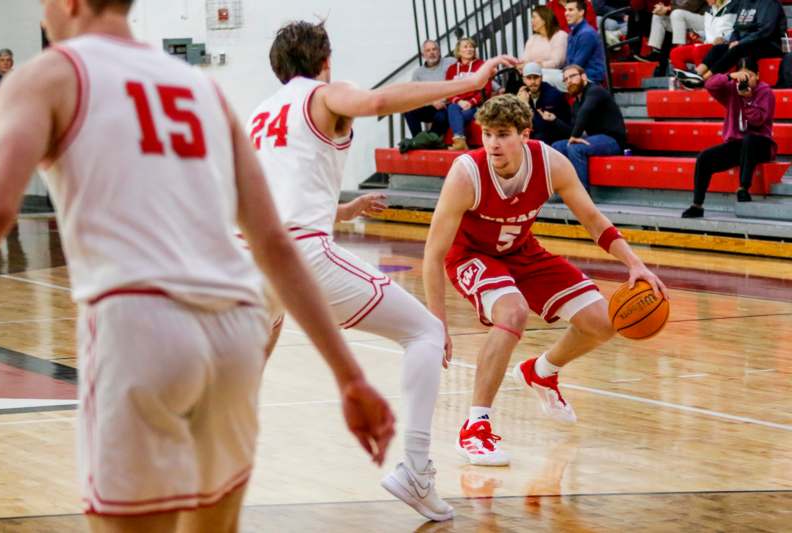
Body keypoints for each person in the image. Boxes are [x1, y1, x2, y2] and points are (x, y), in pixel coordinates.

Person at [0, 1, 396, 531]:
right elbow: (273, 240)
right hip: (234, 330)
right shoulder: (199, 88)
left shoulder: (47, 74)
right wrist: (350, 377)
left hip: (139, 322)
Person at [249, 20, 516, 521]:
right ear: (325, 60)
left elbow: (266, 197)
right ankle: (415, 469)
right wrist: (469, 81)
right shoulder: (323, 95)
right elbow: (374, 102)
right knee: (425, 332)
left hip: (248, 258)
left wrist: (344, 213)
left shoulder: (260, 114)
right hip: (299, 256)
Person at [422, 94, 667, 465]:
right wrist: (437, 321)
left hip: (523, 251)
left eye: (502, 134)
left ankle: (542, 371)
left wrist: (635, 264)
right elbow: (434, 253)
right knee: (513, 312)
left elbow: (593, 220)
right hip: (471, 256)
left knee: (603, 322)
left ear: (525, 134)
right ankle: (475, 427)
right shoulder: (465, 173)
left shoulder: (552, 163)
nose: (492, 144)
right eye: (487, 134)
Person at [681, 57, 775, 218]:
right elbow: (709, 84)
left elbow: (757, 120)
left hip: (761, 144)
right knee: (704, 157)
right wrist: (730, 77)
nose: (746, 79)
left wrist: (747, 98)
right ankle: (697, 205)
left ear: (758, 76)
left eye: (750, 75)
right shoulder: (732, 88)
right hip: (737, 145)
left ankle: (743, 188)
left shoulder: (765, 91)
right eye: (743, 75)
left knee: (749, 140)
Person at [675, 0, 785, 89]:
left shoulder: (770, 3)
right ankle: (696, 73)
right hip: (745, 44)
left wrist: (740, 42)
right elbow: (736, 28)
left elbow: (765, 31)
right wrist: (733, 40)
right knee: (718, 48)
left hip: (769, 45)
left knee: (738, 48)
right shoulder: (744, 3)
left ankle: (704, 79)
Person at [551, 65, 626, 191]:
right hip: (594, 139)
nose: (569, 81)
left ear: (584, 77)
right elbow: (572, 130)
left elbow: (585, 111)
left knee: (576, 148)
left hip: (612, 140)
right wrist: (555, 121)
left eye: (572, 76)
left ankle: (582, 194)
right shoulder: (576, 104)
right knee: (556, 147)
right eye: (566, 79)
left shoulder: (595, 91)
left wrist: (575, 136)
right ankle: (562, 190)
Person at [444, 38, 492, 151]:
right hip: (458, 105)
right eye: (465, 46)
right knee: (452, 107)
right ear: (458, 51)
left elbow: (487, 89)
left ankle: (459, 140)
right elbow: (447, 91)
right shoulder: (451, 69)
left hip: (476, 106)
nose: (469, 49)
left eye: (471, 46)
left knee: (456, 115)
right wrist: (459, 101)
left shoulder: (481, 65)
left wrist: (471, 103)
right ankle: (460, 141)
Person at [404, 40, 456, 137]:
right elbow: (414, 94)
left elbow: (462, 78)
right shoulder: (418, 73)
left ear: (439, 51)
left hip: (447, 104)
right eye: (428, 51)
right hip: (430, 105)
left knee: (441, 116)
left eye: (434, 49)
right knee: (408, 110)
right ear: (423, 55)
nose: (432, 53)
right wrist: (432, 102)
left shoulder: (451, 62)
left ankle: (430, 139)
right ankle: (418, 138)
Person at [669, 0, 735, 71]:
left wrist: (725, 38)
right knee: (675, 53)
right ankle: (688, 79)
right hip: (707, 44)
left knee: (699, 51)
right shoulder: (709, 9)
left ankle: (702, 79)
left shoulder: (734, 5)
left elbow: (738, 30)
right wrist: (699, 35)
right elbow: (710, 31)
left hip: (721, 46)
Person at [635, 0, 707, 66]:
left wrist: (667, 9)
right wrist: (662, 8)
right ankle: (656, 52)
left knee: (676, 14)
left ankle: (679, 52)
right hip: (684, 19)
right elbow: (673, 4)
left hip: (703, 19)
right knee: (658, 15)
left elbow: (691, 7)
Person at [517, 62, 572, 145]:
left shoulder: (553, 95)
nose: (533, 81)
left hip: (558, 134)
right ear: (523, 79)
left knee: (539, 137)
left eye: (536, 77)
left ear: (541, 78)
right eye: (529, 78)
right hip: (540, 134)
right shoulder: (523, 94)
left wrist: (525, 105)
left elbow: (541, 126)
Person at [521, 6, 568, 90]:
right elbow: (524, 60)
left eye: (534, 17)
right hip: (533, 75)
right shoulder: (533, 38)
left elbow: (556, 62)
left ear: (544, 19)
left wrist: (535, 65)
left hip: (552, 75)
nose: (531, 21)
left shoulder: (560, 35)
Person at [565, 0, 607, 84]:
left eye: (570, 10)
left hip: (591, 78)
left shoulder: (586, 34)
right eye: (566, 10)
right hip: (577, 74)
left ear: (581, 12)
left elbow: (577, 65)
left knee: (546, 79)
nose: (566, 13)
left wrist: (563, 73)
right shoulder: (573, 33)